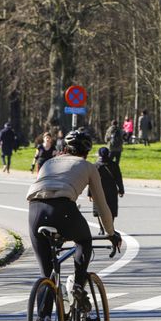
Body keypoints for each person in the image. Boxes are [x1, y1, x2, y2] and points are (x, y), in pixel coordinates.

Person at [26, 130, 122, 311]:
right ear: (86, 151)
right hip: (63, 209)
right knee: (84, 241)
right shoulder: (87, 166)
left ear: (64, 147)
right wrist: (111, 232)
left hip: (34, 211)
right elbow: (102, 205)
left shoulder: (48, 162)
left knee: (46, 275)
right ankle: (78, 285)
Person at [90, 147, 125, 231]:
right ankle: (110, 226)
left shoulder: (95, 166)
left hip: (98, 189)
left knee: (99, 209)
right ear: (108, 154)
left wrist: (90, 194)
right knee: (111, 208)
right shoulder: (114, 165)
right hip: (112, 190)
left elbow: (91, 180)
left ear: (99, 154)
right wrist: (121, 190)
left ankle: (102, 228)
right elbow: (118, 178)